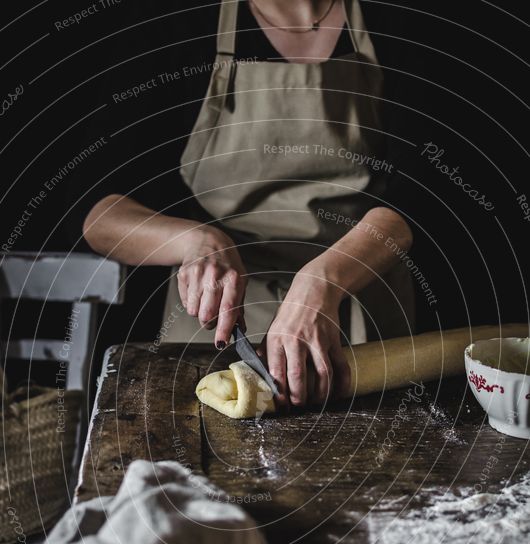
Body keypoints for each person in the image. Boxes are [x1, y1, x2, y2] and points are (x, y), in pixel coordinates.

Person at [82, 0, 420, 407]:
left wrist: (325, 280)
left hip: (363, 316)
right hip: (216, 344)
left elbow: (423, 197)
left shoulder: (400, 19)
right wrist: (195, 241)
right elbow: (101, 215)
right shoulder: (175, 20)